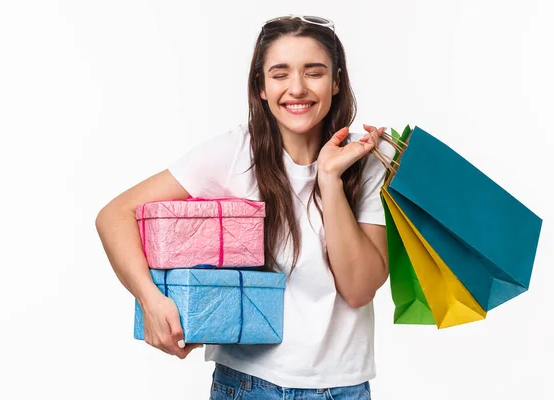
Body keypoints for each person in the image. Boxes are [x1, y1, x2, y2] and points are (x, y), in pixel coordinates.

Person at [96, 14, 395, 399]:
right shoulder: (235, 152)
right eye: (280, 73)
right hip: (248, 383)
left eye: (314, 72)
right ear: (262, 87)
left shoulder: (368, 157)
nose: (297, 88)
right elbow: (115, 216)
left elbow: (358, 289)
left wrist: (330, 179)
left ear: (337, 82)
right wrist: (150, 300)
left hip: (344, 386)